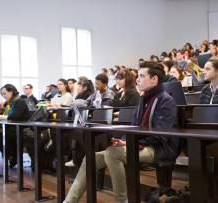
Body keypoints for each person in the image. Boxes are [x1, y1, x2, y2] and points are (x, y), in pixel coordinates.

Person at [63, 63, 180, 203]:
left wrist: (129, 142)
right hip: (141, 144)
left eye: (142, 76)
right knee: (90, 159)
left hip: (159, 148)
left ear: (154, 79)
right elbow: (133, 127)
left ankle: (122, 200)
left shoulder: (165, 100)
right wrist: (123, 140)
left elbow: (160, 134)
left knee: (113, 154)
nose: (137, 80)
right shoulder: (144, 99)